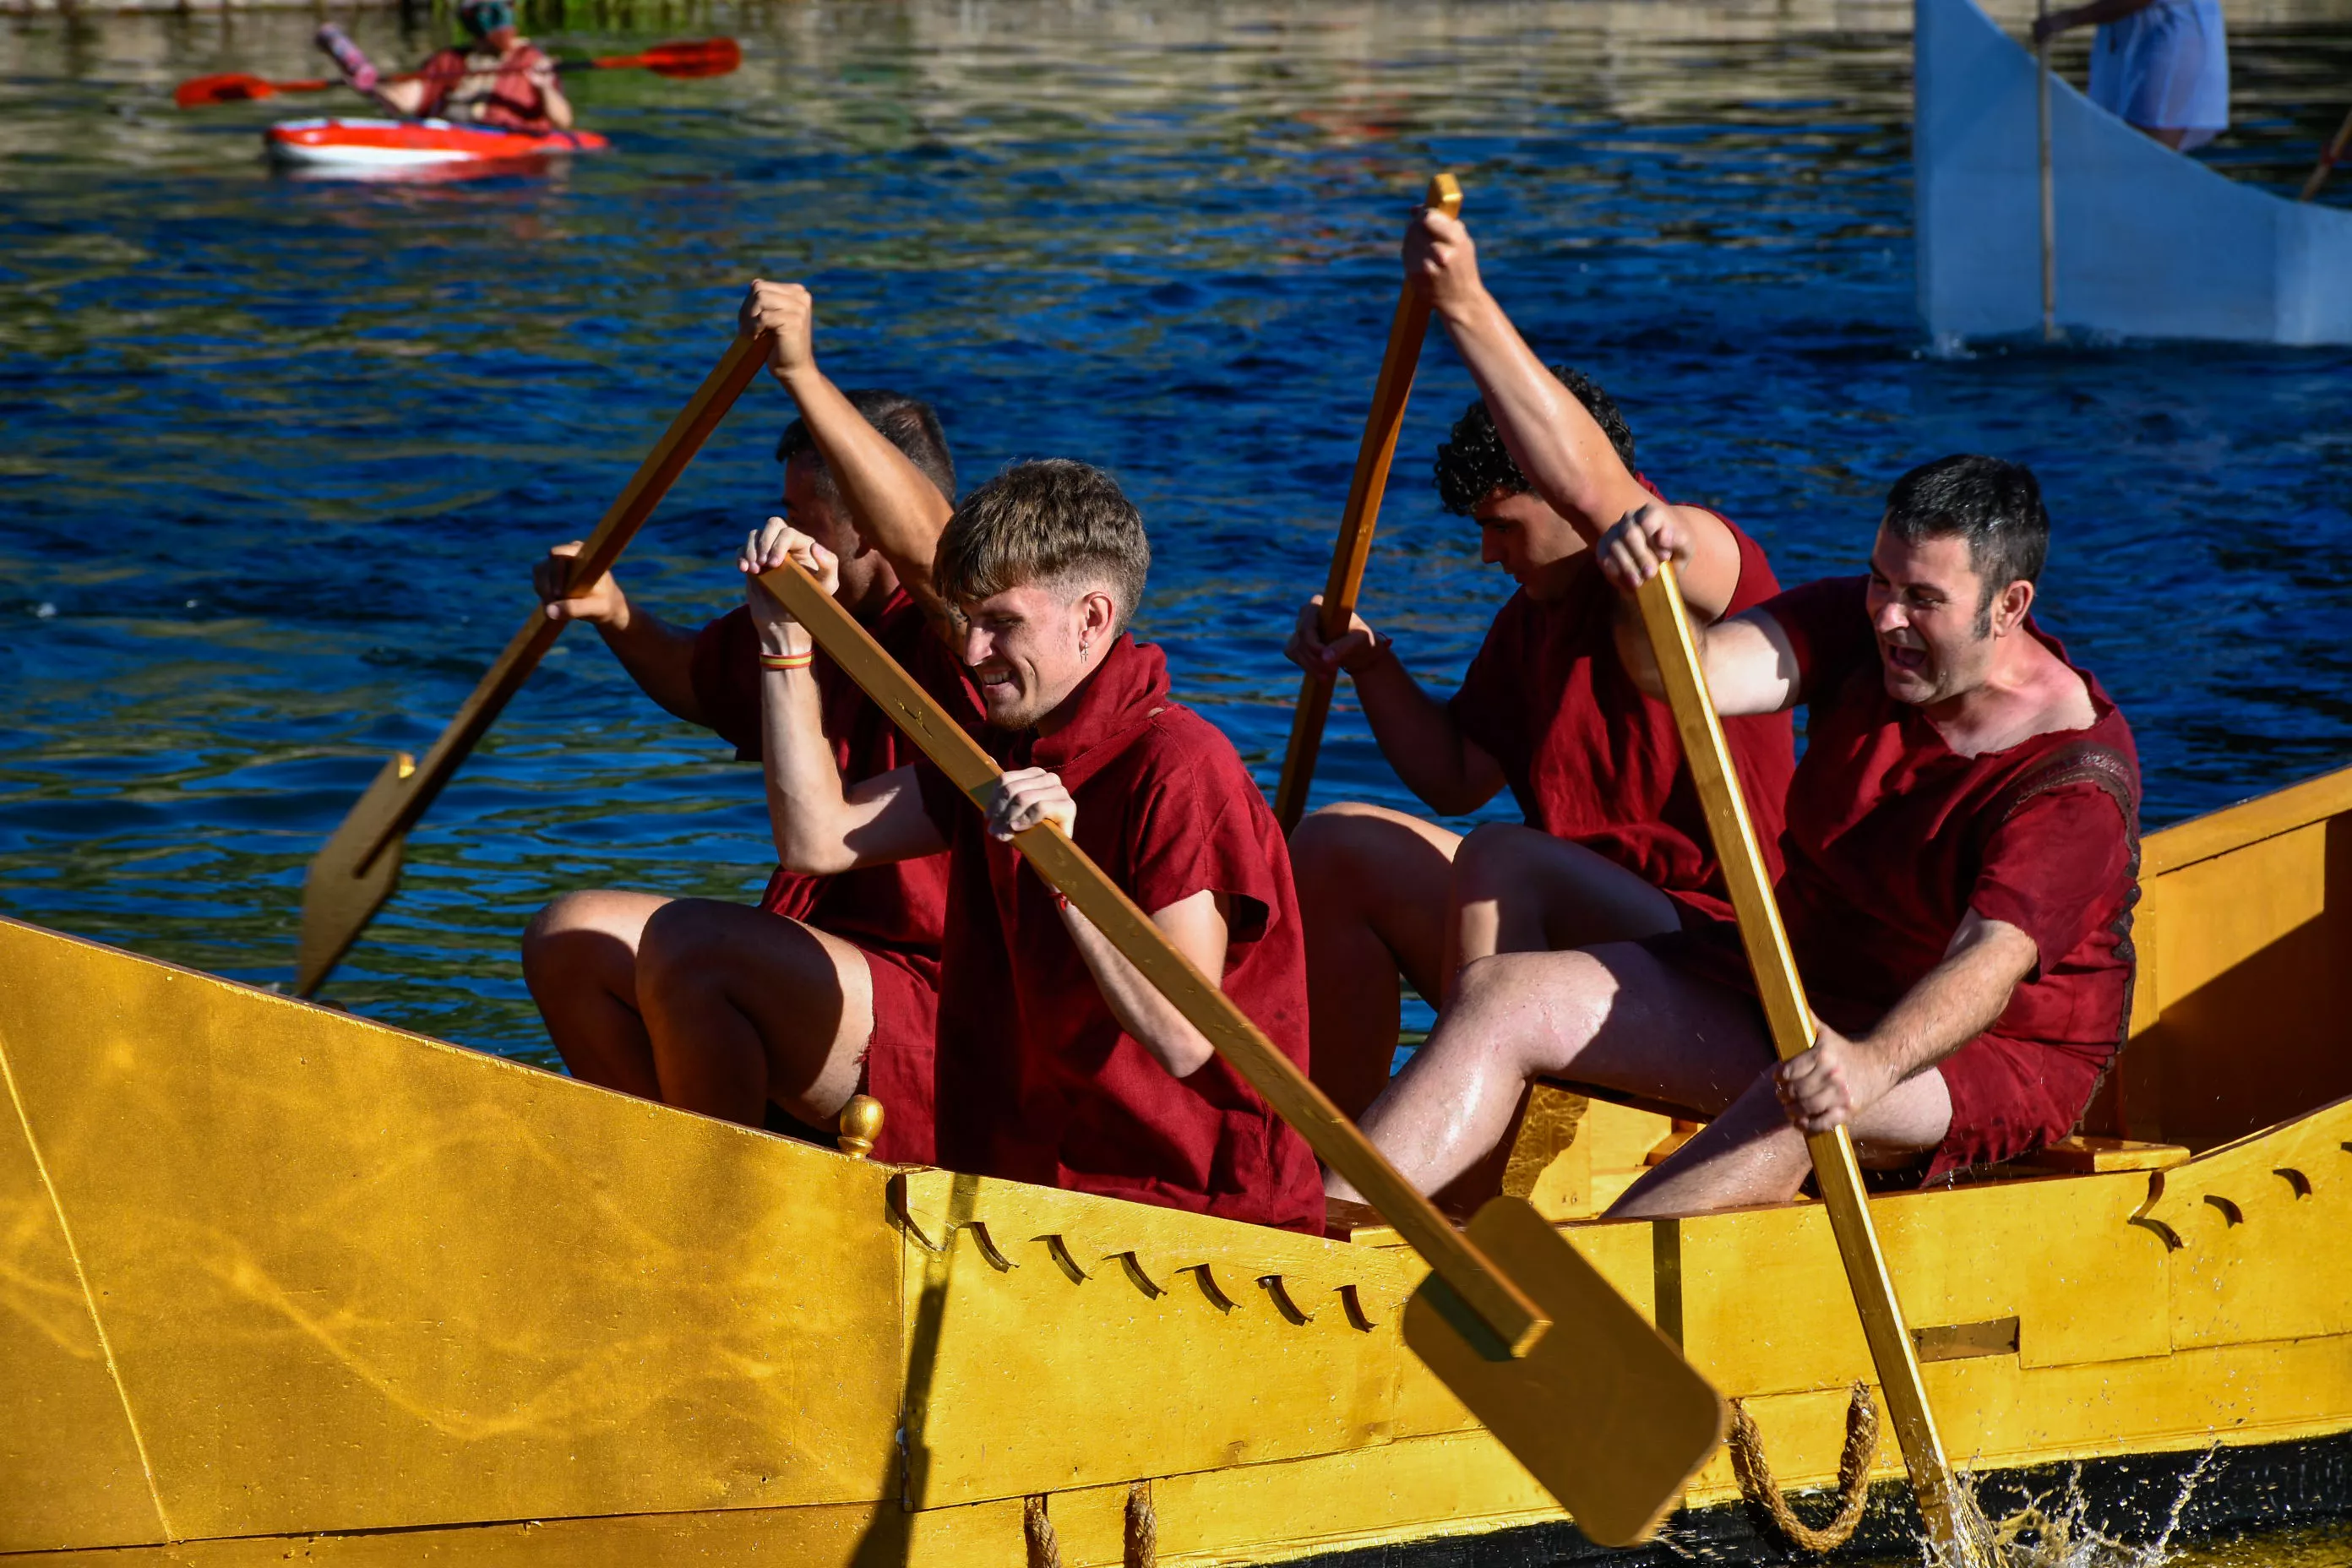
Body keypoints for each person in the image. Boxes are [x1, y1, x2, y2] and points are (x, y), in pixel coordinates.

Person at [1334, 455, 2140, 1218]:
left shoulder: (2075, 778)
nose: (1889, 617)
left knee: (1802, 1094)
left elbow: (1985, 967)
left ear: (2010, 605)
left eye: (1922, 599)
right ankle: (1319, 1239)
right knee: (1503, 995)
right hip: (1803, 983)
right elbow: (1694, 674)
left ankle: (1594, 1293)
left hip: (1971, 1055)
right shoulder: (1857, 631)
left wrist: (1866, 1065)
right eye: (1880, 580)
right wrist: (1646, 590)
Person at [716, 459, 1325, 1233]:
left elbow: (1183, 1036)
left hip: (1184, 1213)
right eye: (964, 619)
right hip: (1023, 1187)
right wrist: (785, 643)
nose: (972, 654)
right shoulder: (1006, 752)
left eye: (1001, 622)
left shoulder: (1181, 767)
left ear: (1092, 619)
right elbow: (817, 838)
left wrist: (1065, 875)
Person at [1284, 203, 1795, 1123]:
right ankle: (1338, 1151)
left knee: (1505, 859)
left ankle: (1459, 1193)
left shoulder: (1697, 561)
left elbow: (1602, 490)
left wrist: (1466, 304)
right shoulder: (1529, 622)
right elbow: (1454, 774)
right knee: (1333, 844)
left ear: (1560, 494)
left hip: (1718, 949)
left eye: (1502, 526)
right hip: (1569, 931)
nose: (1490, 554)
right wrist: (1370, 665)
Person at [520, 280, 963, 1162]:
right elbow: (694, 680)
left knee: (697, 947)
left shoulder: (962, 625)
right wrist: (615, 615)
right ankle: (664, 1175)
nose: (778, 529)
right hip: (823, 957)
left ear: (869, 528)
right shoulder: (807, 609)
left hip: (943, 999)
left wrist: (799, 370)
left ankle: (719, 1216)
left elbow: (933, 540)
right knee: (567, 936)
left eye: (805, 515)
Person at [317, 0, 574, 134]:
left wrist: (543, 87)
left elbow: (563, 121)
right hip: (448, 133)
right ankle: (354, 62)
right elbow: (407, 101)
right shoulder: (450, 61)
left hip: (503, 140)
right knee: (386, 89)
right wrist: (372, 85)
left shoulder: (530, 59)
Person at [2034, 0, 2228, 151]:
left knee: (2149, 155)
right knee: (2117, 150)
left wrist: (2067, 19)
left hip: (2173, 38)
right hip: (2132, 37)